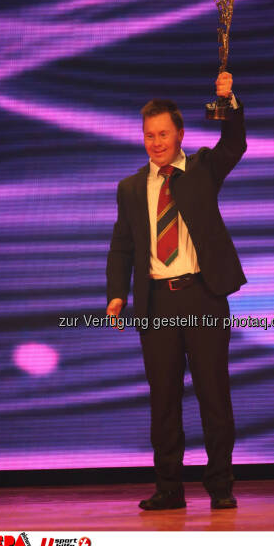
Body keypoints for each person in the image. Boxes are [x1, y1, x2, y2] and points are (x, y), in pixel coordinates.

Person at [106, 72, 247, 510]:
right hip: (157, 302)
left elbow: (235, 145)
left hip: (203, 295)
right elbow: (122, 245)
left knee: (213, 396)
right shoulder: (131, 188)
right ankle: (169, 487)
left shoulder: (203, 168)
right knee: (163, 399)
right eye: (149, 135)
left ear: (179, 134)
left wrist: (228, 102)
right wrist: (117, 294)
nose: (156, 142)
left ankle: (220, 487)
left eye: (163, 133)